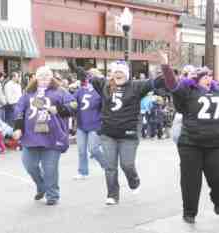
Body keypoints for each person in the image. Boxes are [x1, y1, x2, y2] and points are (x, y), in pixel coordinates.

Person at [69, 59, 164, 205]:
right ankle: (112, 194)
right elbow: (87, 76)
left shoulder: (137, 86)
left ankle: (134, 180)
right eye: (115, 72)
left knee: (127, 165)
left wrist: (164, 65)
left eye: (121, 72)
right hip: (108, 134)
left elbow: (157, 82)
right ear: (112, 75)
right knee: (110, 166)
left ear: (126, 74)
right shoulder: (105, 85)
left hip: (128, 135)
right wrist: (75, 67)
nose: (118, 75)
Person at [160, 51, 219, 224]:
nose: (209, 78)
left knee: (217, 177)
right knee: (191, 180)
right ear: (197, 80)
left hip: (215, 143)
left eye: (210, 76)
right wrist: (165, 66)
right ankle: (190, 212)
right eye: (205, 76)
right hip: (190, 143)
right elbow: (172, 86)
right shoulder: (188, 92)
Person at [13, 66, 77, 206]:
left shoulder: (60, 92)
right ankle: (41, 185)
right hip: (30, 136)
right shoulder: (28, 93)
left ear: (51, 77)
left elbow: (73, 105)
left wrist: (59, 109)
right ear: (35, 77)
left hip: (53, 136)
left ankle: (52, 195)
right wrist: (18, 128)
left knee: (50, 168)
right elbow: (19, 110)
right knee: (29, 165)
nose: (43, 79)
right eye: (40, 76)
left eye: (46, 76)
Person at [73, 68, 106, 180]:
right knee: (81, 150)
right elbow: (72, 102)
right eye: (88, 76)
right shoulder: (81, 91)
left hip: (95, 125)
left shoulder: (100, 92)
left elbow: (105, 107)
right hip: (82, 124)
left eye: (92, 77)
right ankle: (83, 171)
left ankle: (106, 165)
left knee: (94, 149)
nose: (89, 79)